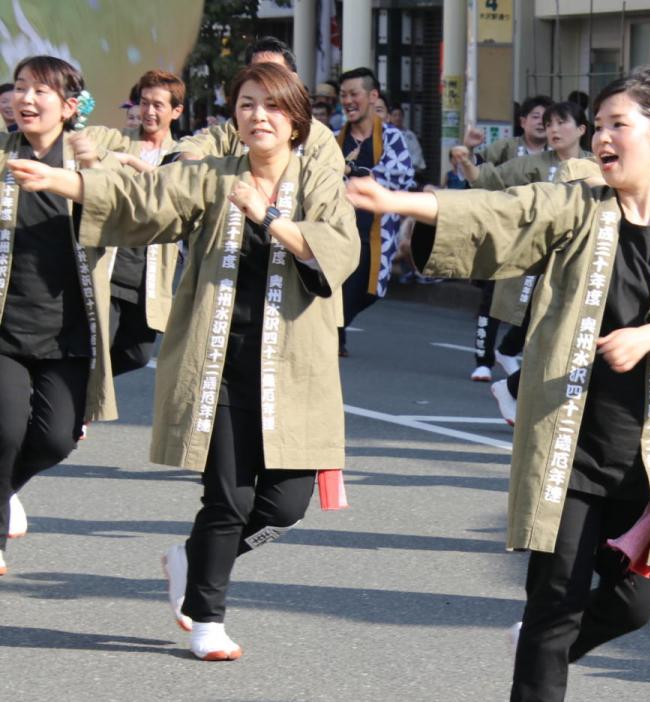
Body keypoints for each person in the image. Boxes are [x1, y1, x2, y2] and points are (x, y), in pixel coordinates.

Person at [347, 65, 650, 702]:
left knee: (635, 603)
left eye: (618, 125)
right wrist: (405, 201)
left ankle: (542, 645)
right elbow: (510, 212)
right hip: (570, 436)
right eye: (598, 127)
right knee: (555, 589)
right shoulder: (578, 202)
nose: (602, 138)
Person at [12, 61, 359, 660]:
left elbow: (338, 250)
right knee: (228, 498)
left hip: (295, 371)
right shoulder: (215, 176)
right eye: (247, 104)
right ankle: (206, 616)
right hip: (219, 360)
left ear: (297, 121)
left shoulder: (318, 179)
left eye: (272, 106)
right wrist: (68, 183)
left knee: (284, 506)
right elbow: (147, 201)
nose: (258, 116)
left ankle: (190, 558)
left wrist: (269, 217)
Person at [0, 56, 120, 576]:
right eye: (21, 88)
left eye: (40, 91)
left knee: (54, 439)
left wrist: (87, 174)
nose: (26, 99)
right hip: (5, 328)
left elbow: (127, 211)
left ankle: (5, 492)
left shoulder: (90, 163)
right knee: (4, 431)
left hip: (69, 332)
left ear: (70, 107)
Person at [452, 101, 592, 415]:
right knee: (534, 318)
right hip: (537, 257)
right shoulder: (533, 163)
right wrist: (466, 160)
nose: (553, 129)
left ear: (582, 129)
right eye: (550, 123)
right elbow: (489, 179)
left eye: (561, 123)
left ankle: (512, 366)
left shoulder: (594, 165)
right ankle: (512, 378)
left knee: (559, 328)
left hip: (578, 261)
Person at [88, 70, 187, 377]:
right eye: (144, 103)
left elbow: (173, 190)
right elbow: (85, 147)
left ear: (176, 110)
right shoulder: (118, 140)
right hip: (111, 266)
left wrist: (131, 163)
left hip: (151, 276)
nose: (149, 111)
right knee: (96, 351)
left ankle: (77, 400)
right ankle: (77, 412)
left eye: (158, 105)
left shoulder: (183, 153)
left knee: (137, 354)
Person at [175, 37, 344, 177]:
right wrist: (190, 160)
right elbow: (193, 147)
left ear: (293, 80)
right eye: (257, 74)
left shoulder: (319, 138)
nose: (264, 81)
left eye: (274, 73)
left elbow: (327, 197)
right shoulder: (235, 128)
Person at [335, 67, 415, 356]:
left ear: (372, 96)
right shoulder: (333, 139)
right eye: (343, 95)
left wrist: (356, 171)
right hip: (338, 230)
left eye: (354, 94)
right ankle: (333, 335)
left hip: (378, 230)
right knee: (339, 286)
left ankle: (336, 329)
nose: (348, 100)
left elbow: (402, 176)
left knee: (371, 291)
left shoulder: (392, 138)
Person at [464, 94, 552, 165]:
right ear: (523, 122)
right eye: (536, 117)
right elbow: (476, 167)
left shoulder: (558, 150)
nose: (541, 122)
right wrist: (469, 148)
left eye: (546, 117)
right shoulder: (505, 147)